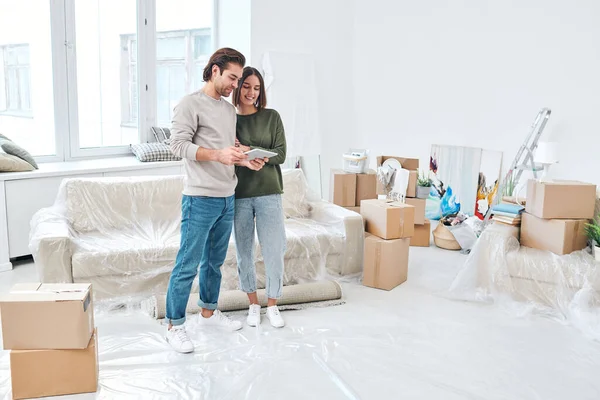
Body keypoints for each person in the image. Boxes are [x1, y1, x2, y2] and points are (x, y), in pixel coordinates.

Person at [165, 48, 266, 353]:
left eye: (239, 79)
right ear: (214, 71)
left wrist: (244, 160)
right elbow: (177, 145)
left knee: (215, 263)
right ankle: (175, 324)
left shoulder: (227, 110)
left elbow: (227, 148)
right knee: (188, 263)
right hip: (199, 197)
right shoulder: (189, 104)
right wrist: (218, 154)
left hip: (227, 196)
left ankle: (208, 311)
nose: (235, 85)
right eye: (232, 78)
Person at [232, 67, 288, 328]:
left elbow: (281, 154)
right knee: (244, 252)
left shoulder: (271, 117)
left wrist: (249, 151)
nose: (251, 92)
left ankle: (273, 305)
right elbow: (227, 155)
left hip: (269, 194)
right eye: (246, 86)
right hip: (239, 195)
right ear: (237, 86)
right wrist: (243, 155)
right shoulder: (229, 120)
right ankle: (253, 304)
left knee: (274, 250)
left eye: (256, 88)